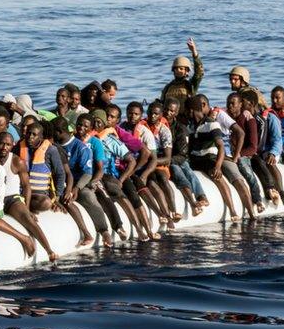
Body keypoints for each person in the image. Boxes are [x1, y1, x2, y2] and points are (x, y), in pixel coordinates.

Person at [186, 96, 256, 222]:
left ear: (191, 110)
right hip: (197, 160)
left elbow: (221, 146)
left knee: (232, 179)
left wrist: (220, 165)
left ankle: (244, 213)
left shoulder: (212, 123)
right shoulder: (190, 126)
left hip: (216, 157)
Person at [0, 131, 58, 259]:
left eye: (8, 145)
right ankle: (23, 238)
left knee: (27, 218)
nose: (4, 147)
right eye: (1, 144)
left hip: (11, 199)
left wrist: (27, 209)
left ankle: (49, 250)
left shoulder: (17, 161)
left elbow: (27, 186)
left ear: (12, 145)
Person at [52, 116, 114, 246]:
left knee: (88, 196)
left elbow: (87, 173)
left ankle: (103, 231)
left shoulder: (81, 147)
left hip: (81, 182)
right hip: (62, 182)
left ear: (59, 131)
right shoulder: (54, 146)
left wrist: (76, 188)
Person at [90, 110, 150, 240]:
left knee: (118, 193)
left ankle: (140, 229)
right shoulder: (86, 139)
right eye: (93, 121)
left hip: (109, 174)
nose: (95, 124)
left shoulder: (110, 140)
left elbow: (131, 160)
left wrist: (121, 179)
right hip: (92, 175)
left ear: (104, 124)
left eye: (98, 122)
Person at [240, 89, 284, 206]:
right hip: (252, 150)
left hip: (264, 150)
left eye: (242, 103)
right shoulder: (242, 117)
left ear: (252, 104)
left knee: (264, 161)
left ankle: (278, 191)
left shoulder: (266, 119)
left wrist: (273, 153)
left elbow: (275, 141)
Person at [164, 98, 207, 216]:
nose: (168, 113)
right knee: (178, 170)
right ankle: (194, 203)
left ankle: (200, 196)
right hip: (168, 160)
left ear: (176, 113)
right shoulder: (159, 126)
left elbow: (182, 154)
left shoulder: (180, 129)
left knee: (184, 168)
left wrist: (168, 160)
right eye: (166, 110)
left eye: (172, 111)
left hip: (178, 158)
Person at [226, 93, 266, 213]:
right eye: (228, 103)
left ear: (240, 104)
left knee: (246, 169)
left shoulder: (248, 119)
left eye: (233, 103)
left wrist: (240, 154)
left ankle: (258, 200)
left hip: (244, 154)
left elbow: (253, 147)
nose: (230, 106)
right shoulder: (225, 117)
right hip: (229, 153)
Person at [17, 122, 67, 214]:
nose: (30, 137)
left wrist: (57, 198)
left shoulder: (51, 150)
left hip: (39, 195)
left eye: (34, 135)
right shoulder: (18, 147)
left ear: (41, 137)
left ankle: (28, 207)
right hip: (21, 192)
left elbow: (60, 173)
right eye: (28, 133)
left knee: (46, 203)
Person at [161, 38, 204, 111]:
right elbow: (162, 102)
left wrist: (194, 51)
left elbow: (199, 73)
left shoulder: (190, 84)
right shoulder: (168, 87)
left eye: (181, 68)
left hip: (185, 119)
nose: (178, 70)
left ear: (187, 71)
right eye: (176, 68)